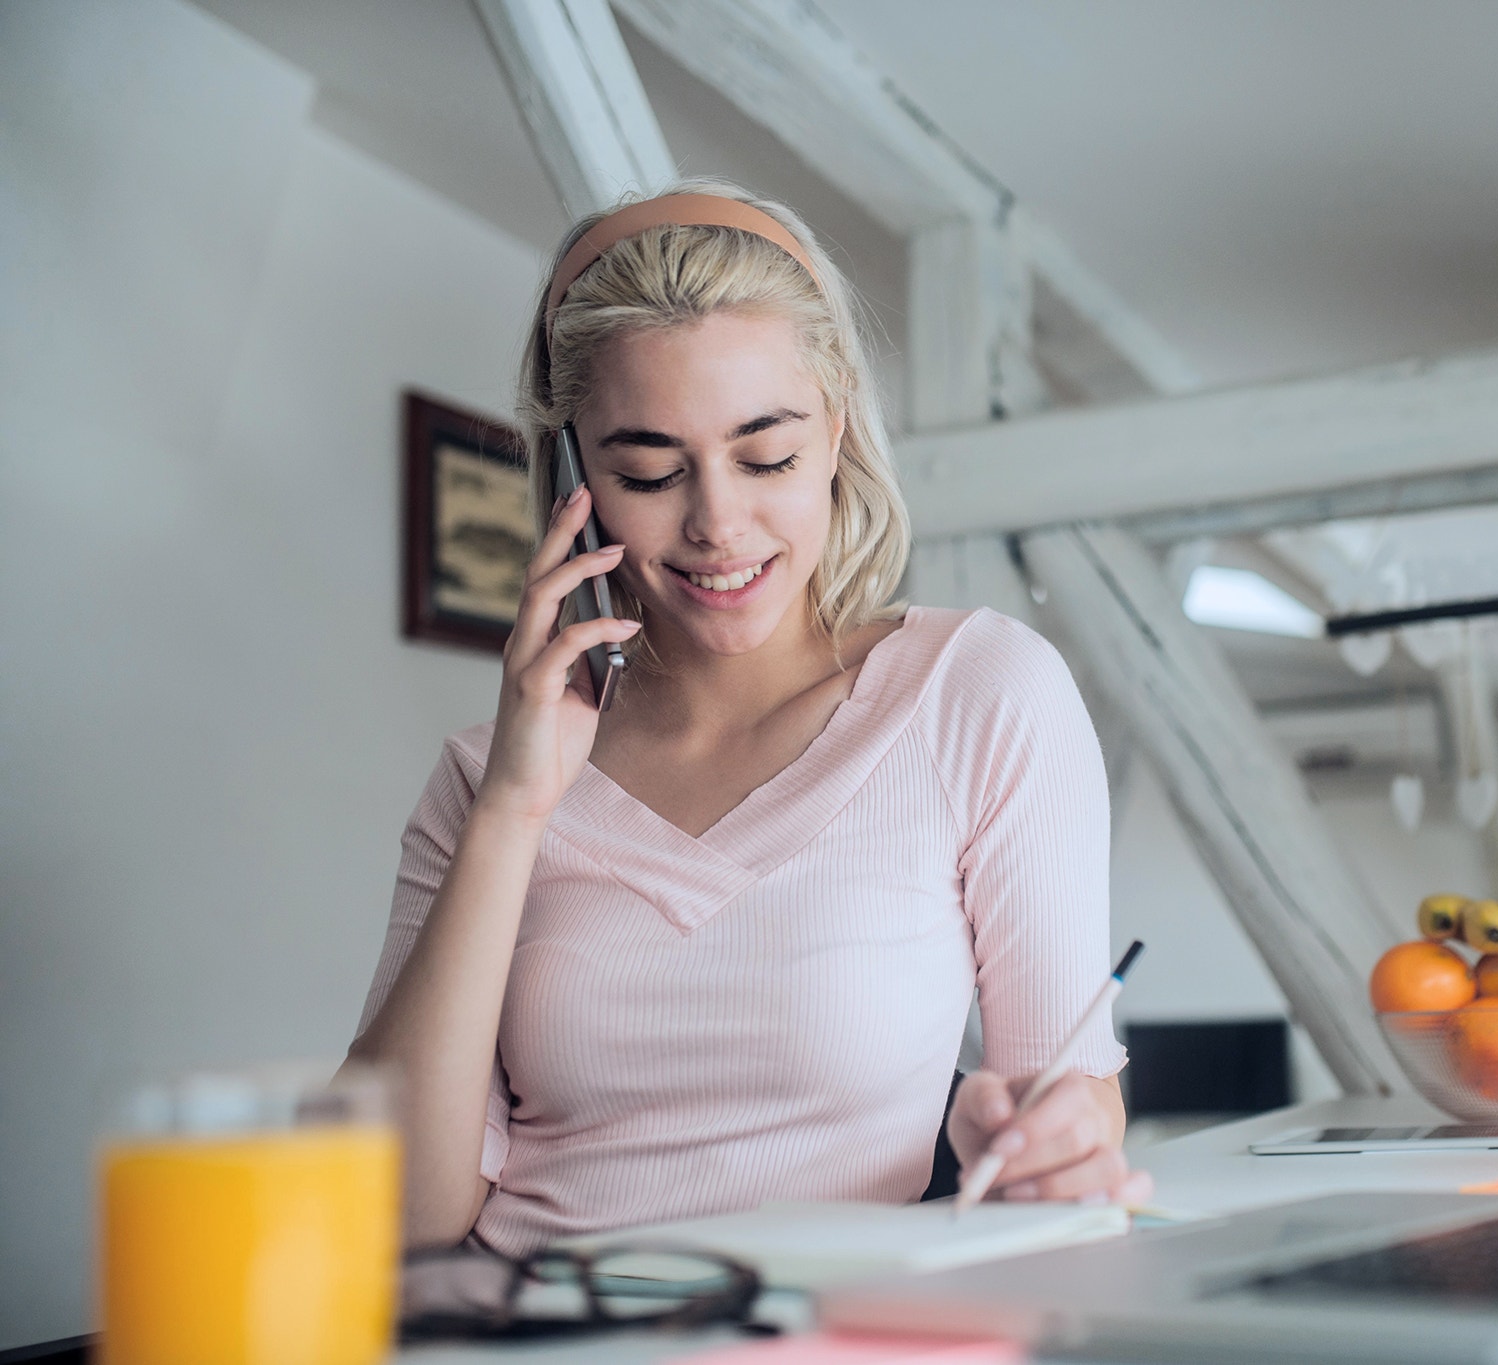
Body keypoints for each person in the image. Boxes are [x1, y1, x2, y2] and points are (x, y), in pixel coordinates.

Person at [348, 179, 1146, 1253]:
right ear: (575, 472)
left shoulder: (978, 693)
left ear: (836, 434)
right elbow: (388, 1217)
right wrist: (512, 811)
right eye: (647, 470)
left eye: (765, 455)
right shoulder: (483, 782)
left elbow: (1076, 1101)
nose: (716, 523)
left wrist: (1053, 1140)